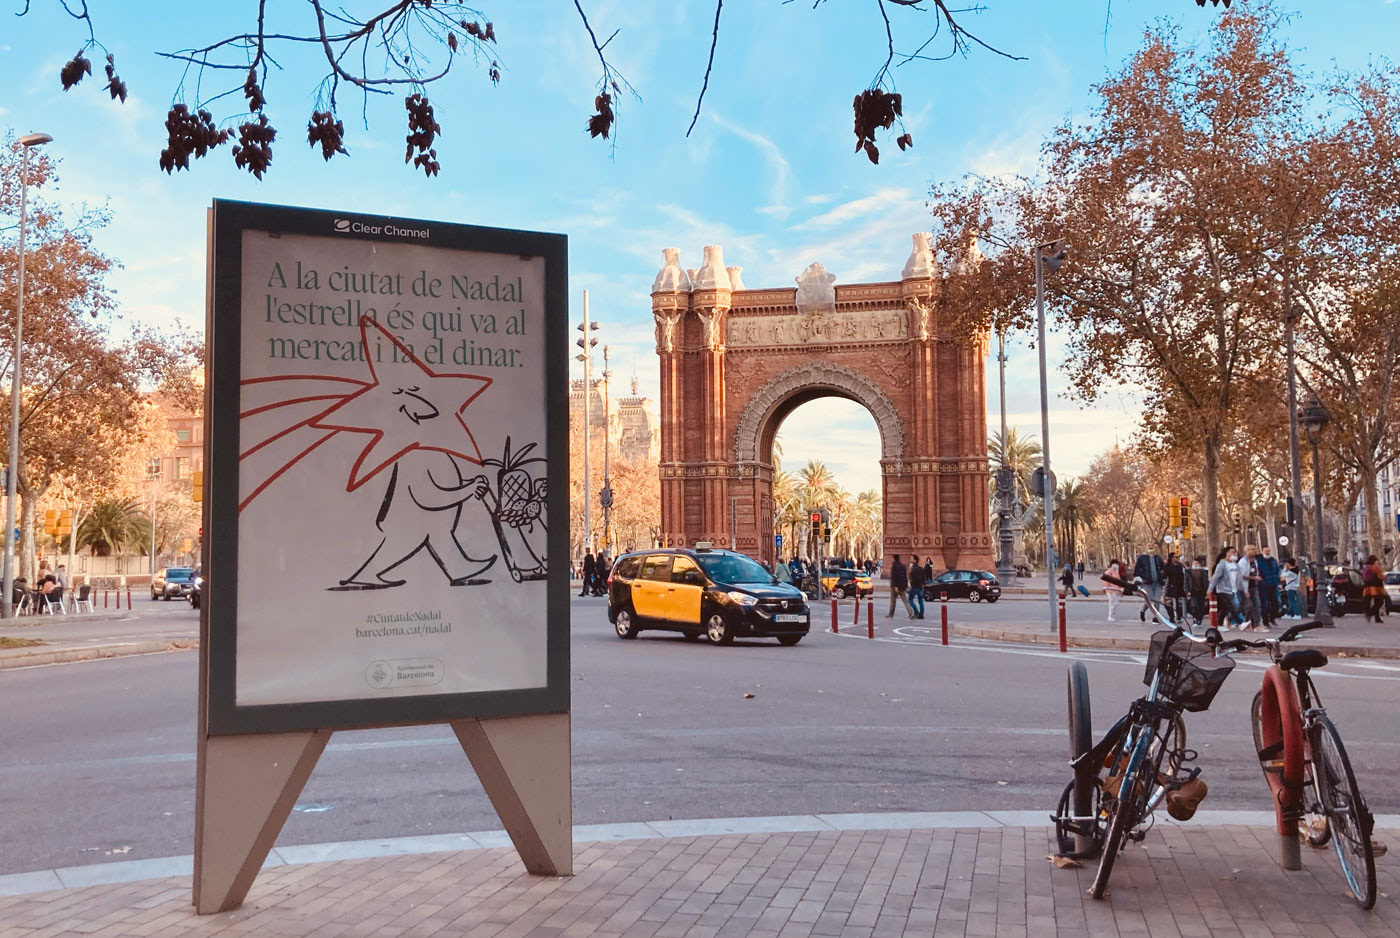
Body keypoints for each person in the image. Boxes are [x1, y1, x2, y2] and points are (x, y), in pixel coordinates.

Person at [1209, 546, 1238, 632]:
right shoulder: (1221, 565)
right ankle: (1221, 622)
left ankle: (1223, 622)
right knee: (1230, 605)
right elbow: (1215, 577)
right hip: (1222, 589)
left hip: (1231, 588)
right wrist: (1211, 588)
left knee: (1227, 607)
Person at [1133, 551, 1165, 622]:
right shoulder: (1142, 558)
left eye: (1152, 545)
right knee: (1150, 599)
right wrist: (1141, 577)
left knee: (1157, 600)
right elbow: (1137, 570)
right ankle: (1142, 611)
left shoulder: (1158, 558)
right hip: (1147, 583)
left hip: (1158, 583)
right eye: (1149, 545)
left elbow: (1163, 568)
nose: (1151, 547)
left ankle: (1156, 617)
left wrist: (1162, 574)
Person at [1257, 546, 1281, 627]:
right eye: (1266, 551)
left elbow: (1277, 571)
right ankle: (1265, 621)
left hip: (1273, 584)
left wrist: (1277, 580)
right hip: (1263, 585)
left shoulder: (1273, 560)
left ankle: (1272, 618)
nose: (1267, 552)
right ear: (1262, 551)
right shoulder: (1259, 561)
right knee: (1265, 604)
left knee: (1276, 603)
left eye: (1268, 551)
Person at [885, 554, 914, 619]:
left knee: (893, 601)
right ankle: (911, 613)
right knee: (905, 600)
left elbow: (893, 577)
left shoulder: (894, 566)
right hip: (902, 586)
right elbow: (905, 577)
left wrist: (895, 586)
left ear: (894, 559)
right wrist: (906, 585)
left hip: (895, 586)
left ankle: (890, 614)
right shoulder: (903, 566)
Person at [1361, 555, 1387, 623]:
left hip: (1367, 587)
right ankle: (1371, 614)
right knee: (1379, 602)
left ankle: (1372, 615)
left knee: (1368, 601)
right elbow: (1381, 577)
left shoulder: (1366, 567)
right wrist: (1385, 577)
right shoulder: (1376, 567)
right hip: (1376, 587)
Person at [1186, 556, 1210, 627]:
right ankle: (1195, 618)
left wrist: (1207, 590)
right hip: (1193, 591)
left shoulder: (1203, 572)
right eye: (1194, 563)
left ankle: (1199, 619)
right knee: (1195, 606)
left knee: (1201, 606)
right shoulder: (1188, 573)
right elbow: (1186, 583)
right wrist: (1187, 591)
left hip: (1202, 591)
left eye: (1197, 563)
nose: (1196, 564)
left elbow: (1206, 582)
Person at [1162, 552, 1185, 623]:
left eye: (1178, 557)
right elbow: (1164, 576)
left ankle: (1179, 616)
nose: (1177, 558)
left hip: (1179, 587)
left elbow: (1183, 576)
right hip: (1170, 586)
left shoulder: (1180, 566)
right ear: (1172, 558)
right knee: (1168, 603)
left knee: (1179, 603)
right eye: (1175, 557)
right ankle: (1171, 616)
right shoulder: (1167, 566)